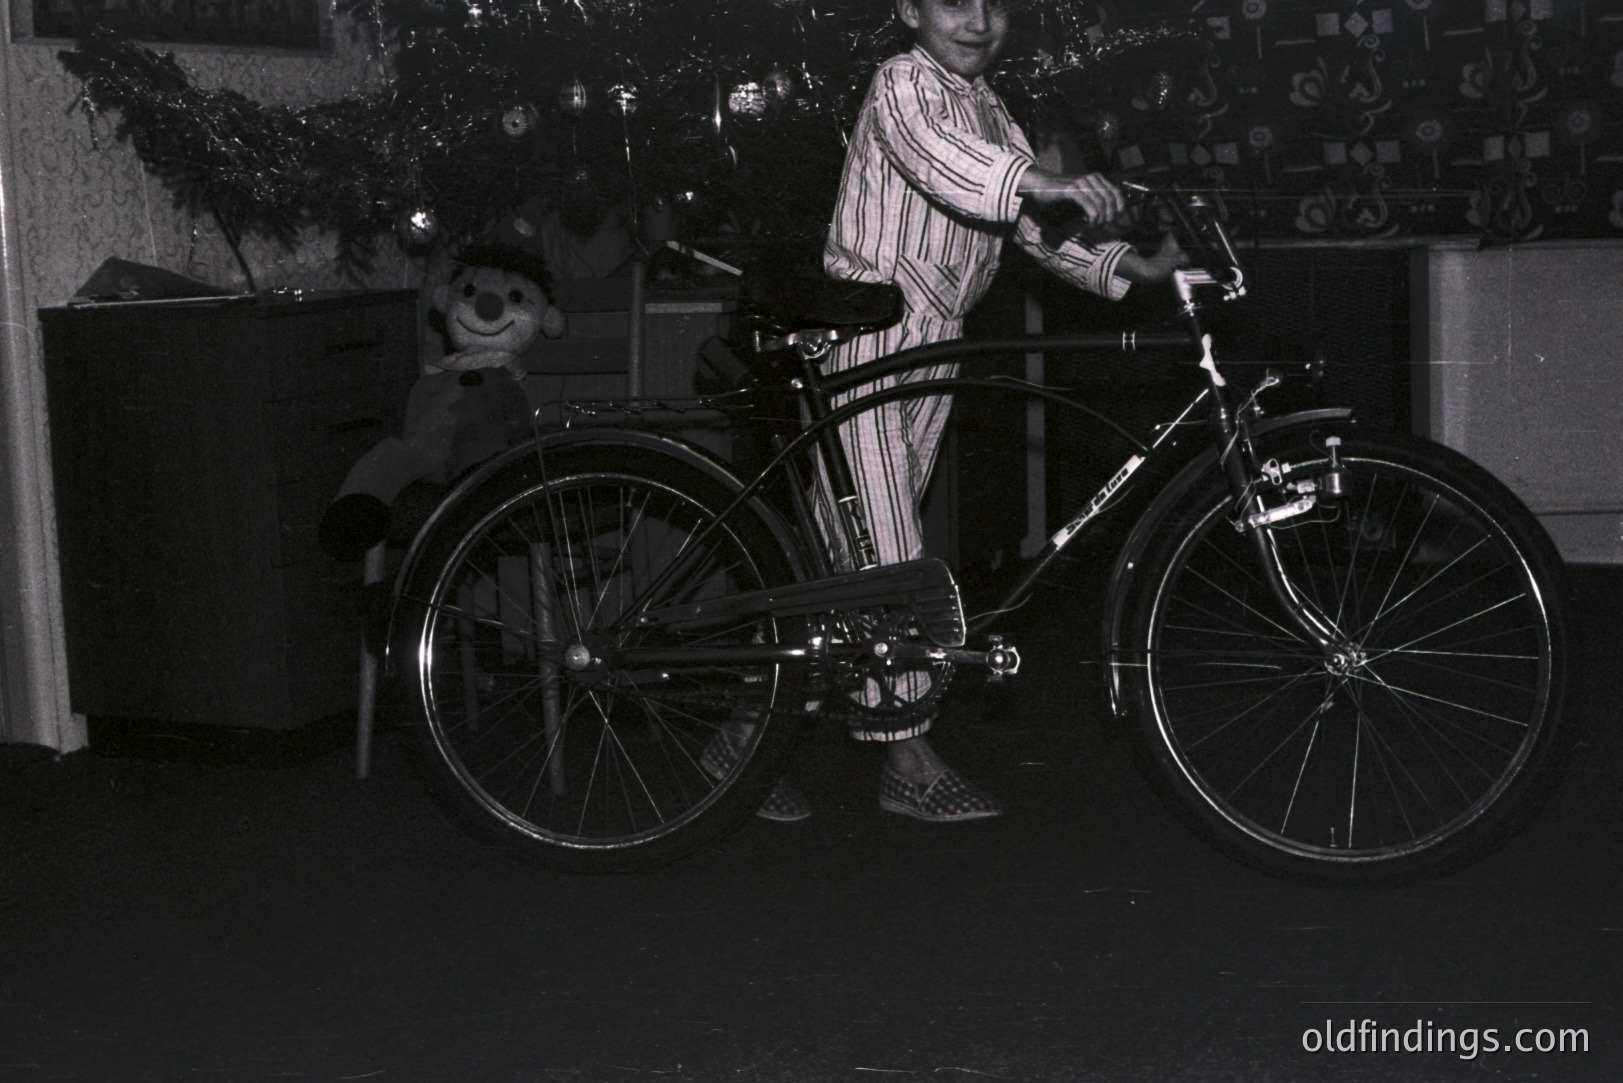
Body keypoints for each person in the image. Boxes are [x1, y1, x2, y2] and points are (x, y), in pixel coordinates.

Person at [725, 0, 1188, 824]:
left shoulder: (987, 106)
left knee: (850, 547)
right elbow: (945, 163)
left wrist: (1126, 266)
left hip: (931, 336)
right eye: (952, 1)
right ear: (907, 10)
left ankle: (743, 729)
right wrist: (1039, 176)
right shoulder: (901, 81)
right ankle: (906, 756)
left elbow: (1032, 229)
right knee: (888, 551)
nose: (976, 20)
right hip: (863, 335)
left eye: (993, 3)